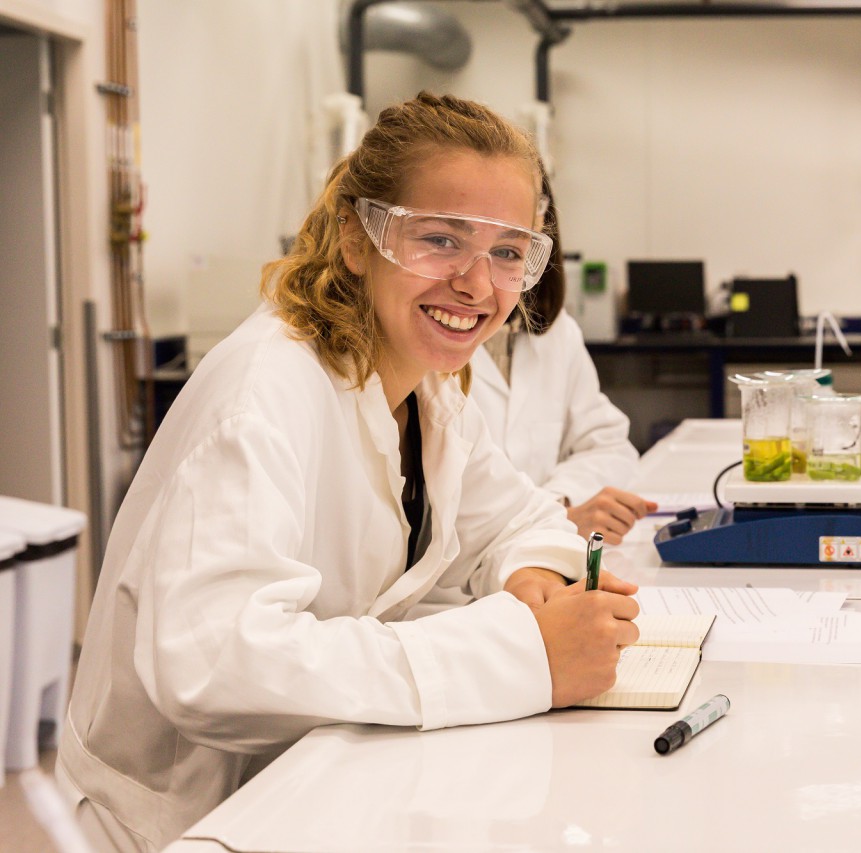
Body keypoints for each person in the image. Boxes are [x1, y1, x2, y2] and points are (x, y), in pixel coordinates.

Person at [56, 92, 640, 852]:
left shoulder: (426, 388)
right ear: (357, 240)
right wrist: (523, 655)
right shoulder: (265, 393)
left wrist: (529, 574)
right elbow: (215, 662)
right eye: (440, 239)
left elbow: (518, 518)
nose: (477, 284)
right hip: (188, 822)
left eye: (508, 252)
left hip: (317, 790)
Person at [470, 178, 656, 545]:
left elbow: (609, 445)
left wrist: (560, 504)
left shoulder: (555, 332)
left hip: (538, 556)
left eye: (509, 249)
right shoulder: (434, 334)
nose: (478, 280)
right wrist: (555, 520)